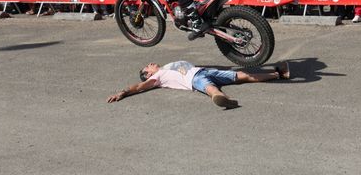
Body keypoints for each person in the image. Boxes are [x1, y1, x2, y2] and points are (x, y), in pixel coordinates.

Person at [106, 60, 290, 109]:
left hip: (203, 70)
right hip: (194, 79)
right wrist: (123, 92)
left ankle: (278, 74)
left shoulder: (165, 68)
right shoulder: (157, 77)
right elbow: (138, 87)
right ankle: (222, 98)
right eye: (148, 66)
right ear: (147, 74)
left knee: (241, 75)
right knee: (210, 88)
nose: (151, 64)